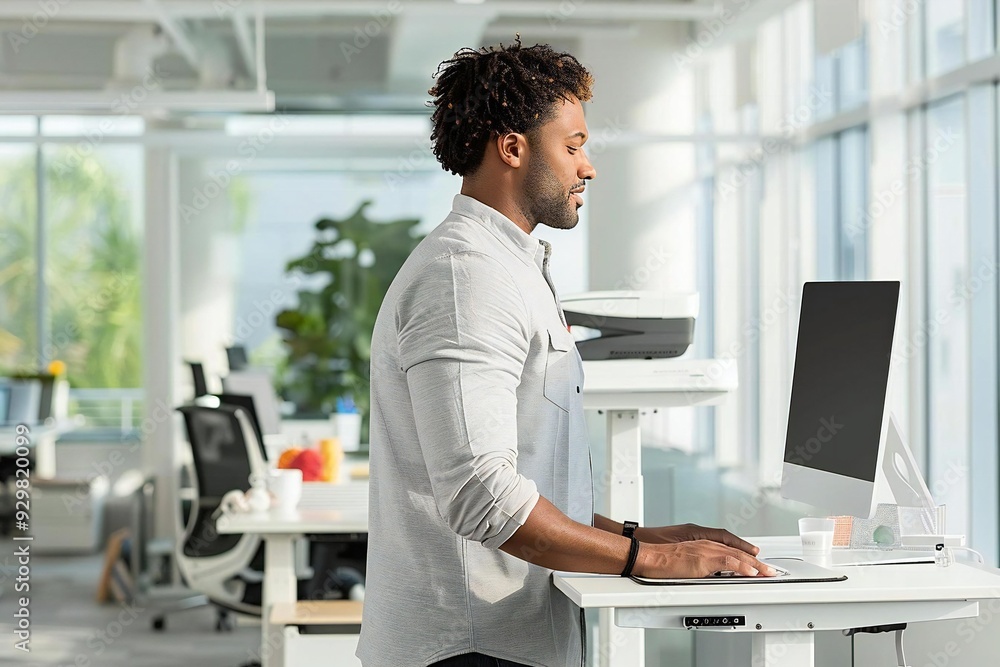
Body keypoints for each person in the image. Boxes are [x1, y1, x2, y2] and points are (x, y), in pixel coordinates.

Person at [357, 39, 775, 667]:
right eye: (574, 145)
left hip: (496, 640)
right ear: (513, 147)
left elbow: (520, 477)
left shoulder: (505, 265)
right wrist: (649, 560)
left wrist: (634, 534)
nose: (590, 168)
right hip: (469, 645)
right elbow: (480, 493)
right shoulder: (465, 277)